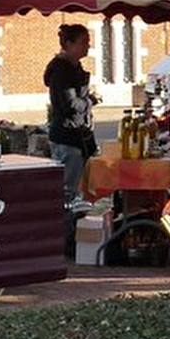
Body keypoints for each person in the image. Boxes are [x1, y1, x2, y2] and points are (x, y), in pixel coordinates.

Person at [44, 24, 98, 204]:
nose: (88, 46)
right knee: (68, 191)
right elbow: (70, 104)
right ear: (69, 44)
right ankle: (67, 227)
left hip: (78, 137)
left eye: (88, 42)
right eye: (83, 42)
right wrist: (91, 100)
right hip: (68, 138)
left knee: (77, 189)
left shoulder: (75, 67)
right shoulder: (62, 71)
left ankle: (75, 224)